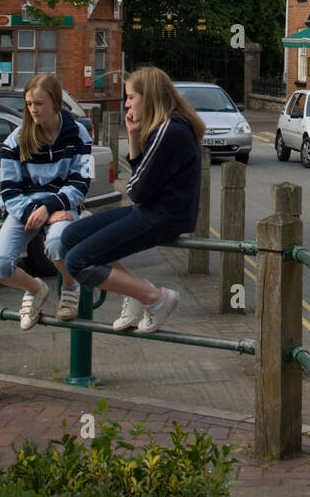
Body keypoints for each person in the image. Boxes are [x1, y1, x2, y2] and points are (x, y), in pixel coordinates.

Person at [62, 66, 204, 335]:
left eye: (130, 97)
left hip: (162, 217)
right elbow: (141, 180)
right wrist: (134, 135)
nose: (126, 104)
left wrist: (136, 169)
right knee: (71, 236)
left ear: (148, 97)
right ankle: (140, 293)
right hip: (150, 209)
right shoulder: (163, 128)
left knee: (76, 262)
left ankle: (154, 298)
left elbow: (136, 188)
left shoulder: (169, 131)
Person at [0, 73, 90, 330]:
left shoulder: (79, 135)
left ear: (55, 102)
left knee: (57, 244)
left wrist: (50, 207)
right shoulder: (15, 140)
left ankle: (69, 285)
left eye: (39, 103)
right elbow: (9, 190)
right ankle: (35, 289)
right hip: (25, 207)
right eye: (29, 104)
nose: (33, 109)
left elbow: (81, 183)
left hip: (63, 205)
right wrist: (38, 211)